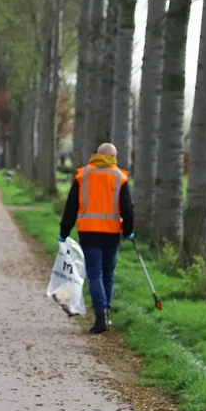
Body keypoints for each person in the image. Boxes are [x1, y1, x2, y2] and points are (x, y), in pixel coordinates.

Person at [59, 142, 135, 334]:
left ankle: (100, 315)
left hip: (89, 232)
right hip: (111, 233)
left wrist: (64, 231)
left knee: (95, 275)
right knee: (108, 274)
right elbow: (127, 208)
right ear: (112, 157)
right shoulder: (120, 177)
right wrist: (128, 231)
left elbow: (71, 207)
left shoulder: (82, 175)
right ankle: (106, 312)